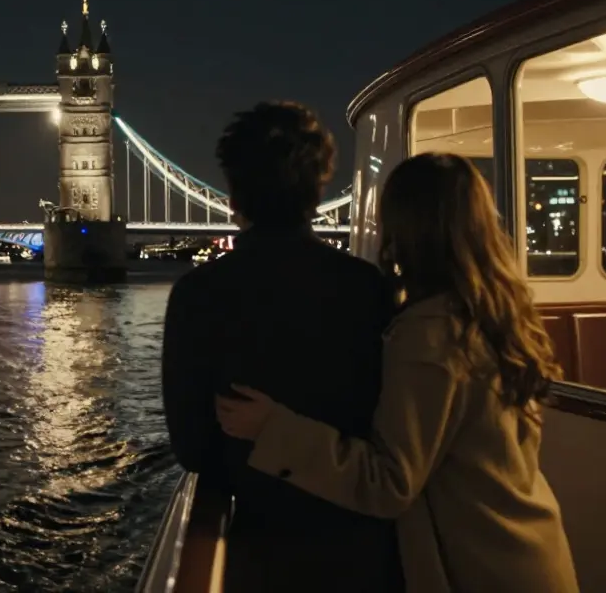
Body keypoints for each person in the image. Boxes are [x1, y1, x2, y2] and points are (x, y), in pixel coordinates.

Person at [216, 152, 580, 593]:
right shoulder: (499, 311)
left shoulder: (431, 335)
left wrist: (273, 428)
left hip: (480, 567)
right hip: (528, 551)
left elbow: (389, 483)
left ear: (404, 228)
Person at [162, 101, 404, 590]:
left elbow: (192, 450)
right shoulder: (371, 289)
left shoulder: (197, 295)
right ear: (320, 188)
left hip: (259, 551)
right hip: (365, 552)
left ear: (232, 195)